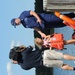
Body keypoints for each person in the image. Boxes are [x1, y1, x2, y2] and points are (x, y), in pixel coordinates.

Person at [11, 11, 75, 38]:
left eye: (16, 23)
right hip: (46, 25)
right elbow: (34, 27)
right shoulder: (25, 26)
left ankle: (73, 14)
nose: (17, 24)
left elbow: (32, 12)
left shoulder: (23, 14)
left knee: (60, 18)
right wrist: (41, 33)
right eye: (16, 25)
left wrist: (38, 18)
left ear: (16, 19)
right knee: (62, 24)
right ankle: (73, 23)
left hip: (45, 18)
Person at [9, 45, 75, 71]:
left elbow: (32, 66)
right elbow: (31, 46)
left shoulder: (23, 67)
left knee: (61, 65)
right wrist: (21, 48)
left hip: (44, 63)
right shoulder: (24, 53)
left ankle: (73, 69)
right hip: (44, 54)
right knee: (62, 56)